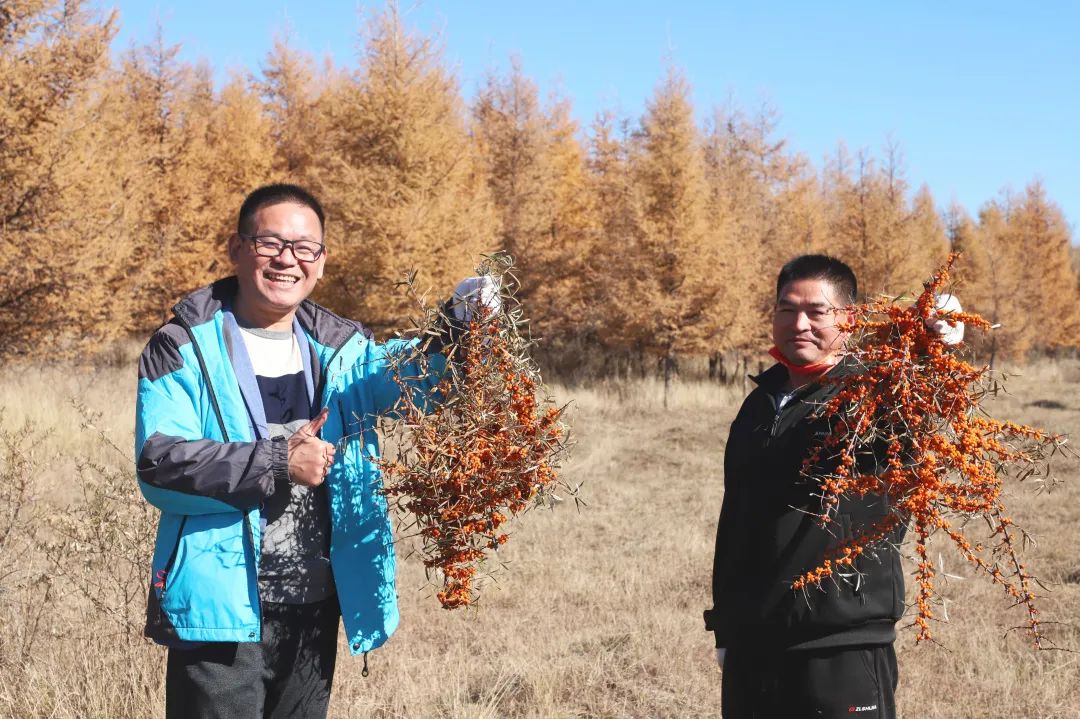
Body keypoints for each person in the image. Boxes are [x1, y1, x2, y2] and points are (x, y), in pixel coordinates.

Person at [135, 183, 494, 718]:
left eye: (305, 248)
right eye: (270, 243)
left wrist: (456, 326)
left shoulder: (342, 353)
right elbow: (161, 463)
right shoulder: (182, 345)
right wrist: (279, 462)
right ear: (237, 249)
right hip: (220, 614)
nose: (288, 260)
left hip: (313, 605)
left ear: (321, 263)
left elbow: (419, 378)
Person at [703, 254, 962, 719]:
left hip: (839, 646)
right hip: (753, 646)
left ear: (849, 318)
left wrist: (933, 346)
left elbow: (924, 399)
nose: (799, 323)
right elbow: (735, 520)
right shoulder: (759, 404)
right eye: (787, 309)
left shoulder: (876, 397)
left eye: (816, 311)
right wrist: (726, 628)